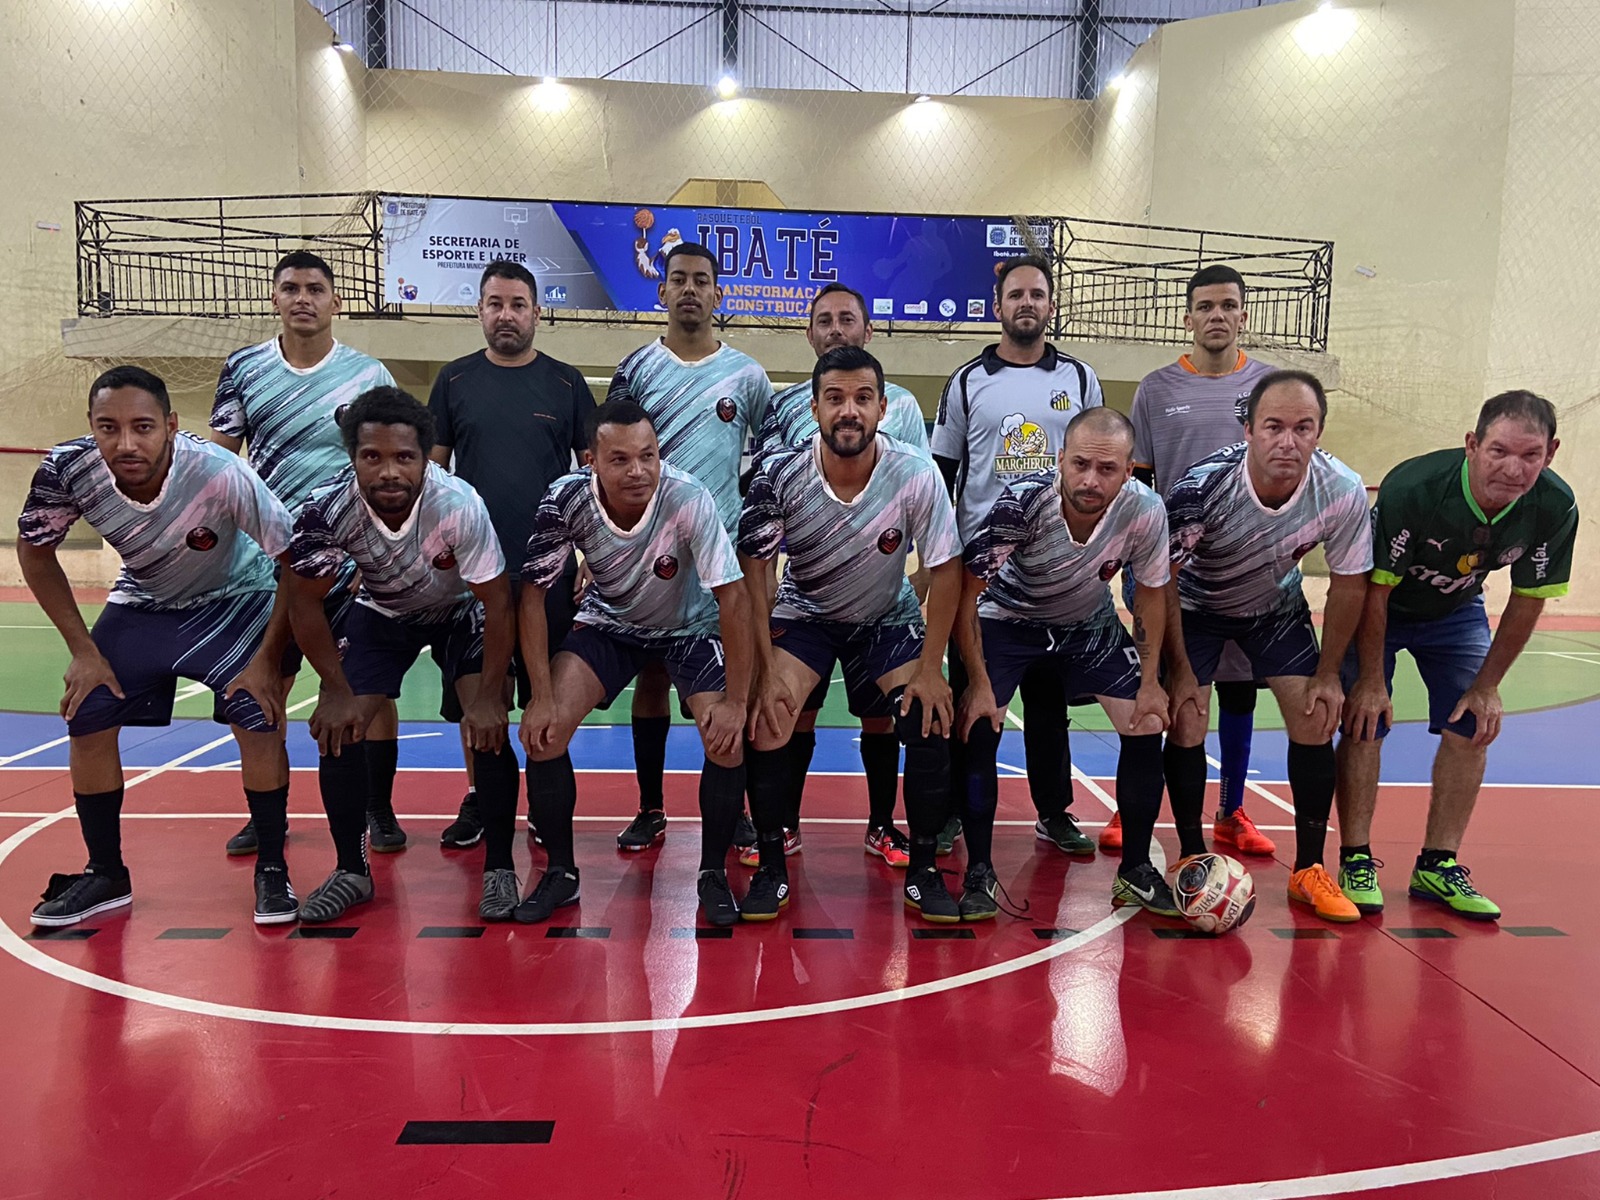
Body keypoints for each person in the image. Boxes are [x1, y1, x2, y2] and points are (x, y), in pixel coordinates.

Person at [20, 366, 298, 926]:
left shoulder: (218, 472)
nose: (126, 443)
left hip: (238, 595)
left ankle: (272, 867)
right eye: (109, 427)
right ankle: (106, 874)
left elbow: (295, 559)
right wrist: (84, 651)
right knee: (88, 710)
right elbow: (35, 549)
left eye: (142, 427)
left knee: (255, 711)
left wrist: (269, 660)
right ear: (91, 426)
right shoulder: (69, 468)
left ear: (170, 425)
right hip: (143, 599)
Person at [740, 346, 963, 922]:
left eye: (863, 398)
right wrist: (762, 670)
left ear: (882, 408)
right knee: (769, 718)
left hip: (885, 618)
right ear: (814, 408)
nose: (849, 410)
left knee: (928, 719)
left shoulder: (914, 473)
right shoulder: (779, 474)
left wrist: (931, 668)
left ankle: (923, 871)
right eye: (835, 398)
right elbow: (755, 572)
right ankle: (770, 866)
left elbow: (947, 569)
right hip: (806, 614)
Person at [1336, 391, 1576, 921]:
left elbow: (1529, 598)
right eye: (1499, 452)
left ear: (1551, 453)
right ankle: (1355, 859)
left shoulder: (1555, 506)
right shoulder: (1415, 488)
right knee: (1364, 718)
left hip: (1457, 612)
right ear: (1472, 444)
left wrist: (1487, 686)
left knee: (1473, 723)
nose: (1513, 469)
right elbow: (1374, 589)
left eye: (1530, 455)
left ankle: (1437, 865)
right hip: (1384, 606)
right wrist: (1371, 679)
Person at [284, 388, 518, 923]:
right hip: (384, 608)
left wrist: (488, 696)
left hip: (461, 610)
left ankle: (501, 869)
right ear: (353, 457)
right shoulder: (326, 508)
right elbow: (303, 601)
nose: (389, 471)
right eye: (373, 456)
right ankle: (351, 871)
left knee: (488, 726)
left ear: (425, 458)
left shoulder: (458, 504)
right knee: (338, 727)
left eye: (404, 457)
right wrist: (335, 688)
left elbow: (498, 603)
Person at [516, 400, 751, 927]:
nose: (638, 470)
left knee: (726, 739)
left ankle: (712, 873)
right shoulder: (566, 499)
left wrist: (737, 701)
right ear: (591, 461)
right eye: (620, 459)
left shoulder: (687, 496)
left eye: (648, 455)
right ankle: (561, 874)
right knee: (545, 733)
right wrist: (541, 695)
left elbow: (733, 598)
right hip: (610, 624)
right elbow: (533, 595)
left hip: (690, 628)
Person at [209, 250, 402, 855]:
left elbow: (392, 469)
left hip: (351, 559)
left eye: (315, 288)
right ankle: (269, 813)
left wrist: (376, 548)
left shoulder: (369, 374)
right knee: (265, 683)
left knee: (369, 688)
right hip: (266, 562)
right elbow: (219, 462)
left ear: (334, 301)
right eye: (290, 287)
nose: (302, 298)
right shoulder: (244, 368)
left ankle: (377, 807)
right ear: (275, 298)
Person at [1162, 370, 1372, 923]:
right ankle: (1191, 856)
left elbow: (1350, 584)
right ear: (1249, 429)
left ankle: (1308, 869)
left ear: (1319, 432)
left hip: (1274, 607)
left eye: (1303, 428)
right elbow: (1161, 584)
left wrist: (1329, 673)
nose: (1288, 441)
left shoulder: (1341, 490)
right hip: (1196, 606)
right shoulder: (1202, 487)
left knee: (1316, 714)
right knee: (1187, 715)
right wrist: (1178, 669)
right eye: (1274, 426)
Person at [956, 408, 1177, 920]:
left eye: (1107, 469)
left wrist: (1150, 681)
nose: (1090, 480)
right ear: (1060, 460)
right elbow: (966, 594)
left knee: (1146, 721)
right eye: (1080, 465)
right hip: (1008, 618)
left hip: (1087, 622)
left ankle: (1135, 870)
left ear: (1129, 471)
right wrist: (979, 683)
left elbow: (1150, 596)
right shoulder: (1023, 503)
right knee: (981, 724)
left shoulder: (1145, 511)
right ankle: (979, 871)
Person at [748, 281, 931, 869]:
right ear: (809, 333)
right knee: (789, 708)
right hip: (807, 594)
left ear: (868, 330)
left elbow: (920, 498)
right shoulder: (784, 409)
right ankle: (783, 827)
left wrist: (912, 585)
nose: (835, 329)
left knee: (883, 716)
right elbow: (766, 503)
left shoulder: (902, 406)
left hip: (880, 597)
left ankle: (882, 825)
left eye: (846, 318)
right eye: (823, 320)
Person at [931, 254, 1105, 859]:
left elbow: (1099, 466)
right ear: (998, 306)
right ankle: (955, 810)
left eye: (1036, 294)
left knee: (1049, 704)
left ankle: (1053, 812)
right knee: (971, 700)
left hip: (1057, 570)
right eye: (1016, 295)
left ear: (1050, 305)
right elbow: (942, 474)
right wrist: (943, 563)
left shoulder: (1080, 378)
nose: (1026, 303)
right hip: (983, 577)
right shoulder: (966, 380)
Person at [606, 242, 772, 851]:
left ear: (718, 294)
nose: (690, 290)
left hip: (720, 561)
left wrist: (758, 547)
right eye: (679, 279)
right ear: (662, 291)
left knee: (732, 686)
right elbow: (609, 459)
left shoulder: (748, 377)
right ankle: (650, 807)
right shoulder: (635, 370)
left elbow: (767, 464)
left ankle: (738, 810)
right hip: (648, 558)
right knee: (651, 679)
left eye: (702, 280)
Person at [427, 259, 596, 850]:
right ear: (479, 310)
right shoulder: (452, 380)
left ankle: (545, 805)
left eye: (518, 304)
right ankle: (483, 798)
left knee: (547, 695)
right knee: (483, 695)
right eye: (495, 304)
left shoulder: (567, 383)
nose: (506, 315)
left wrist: (592, 556)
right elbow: (431, 476)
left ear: (537, 313)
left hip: (548, 576)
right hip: (475, 577)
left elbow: (594, 478)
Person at [1118, 263, 1278, 857]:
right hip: (1172, 573)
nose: (1217, 315)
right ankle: (1131, 807)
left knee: (1238, 693)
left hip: (1247, 572)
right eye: (1206, 306)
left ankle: (1231, 811)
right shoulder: (1156, 389)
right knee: (1161, 689)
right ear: (1188, 318)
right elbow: (1137, 485)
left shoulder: (1270, 386)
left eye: (1228, 305)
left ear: (1243, 315)